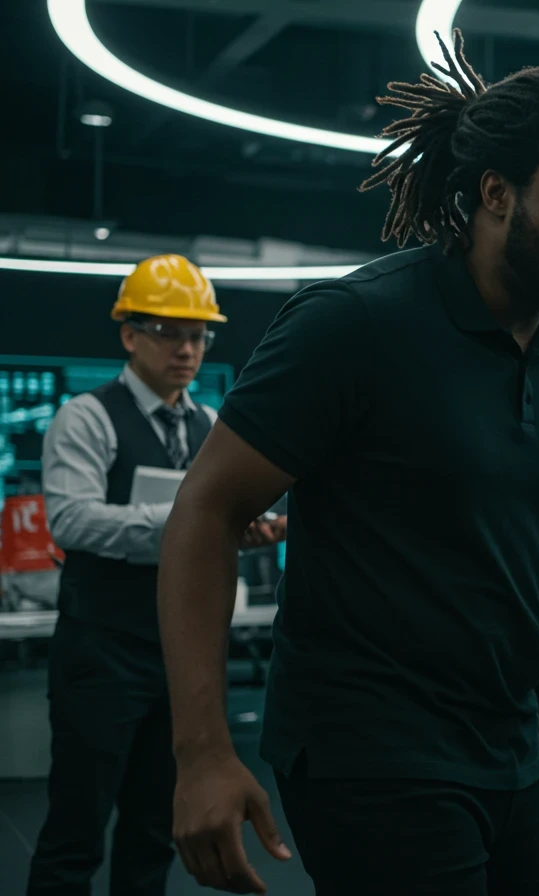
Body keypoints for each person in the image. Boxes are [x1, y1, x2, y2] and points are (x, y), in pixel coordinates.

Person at [156, 30, 539, 896]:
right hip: (369, 750)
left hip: (506, 747)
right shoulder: (354, 325)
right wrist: (201, 751)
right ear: (496, 192)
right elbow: (207, 512)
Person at [26, 255, 284, 896]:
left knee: (152, 832)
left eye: (199, 336)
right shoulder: (85, 418)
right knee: (74, 834)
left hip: (181, 661)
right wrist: (191, 520)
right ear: (129, 334)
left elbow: (216, 526)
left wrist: (245, 527)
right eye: (171, 333)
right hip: (101, 657)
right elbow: (75, 523)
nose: (187, 349)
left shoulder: (211, 427)